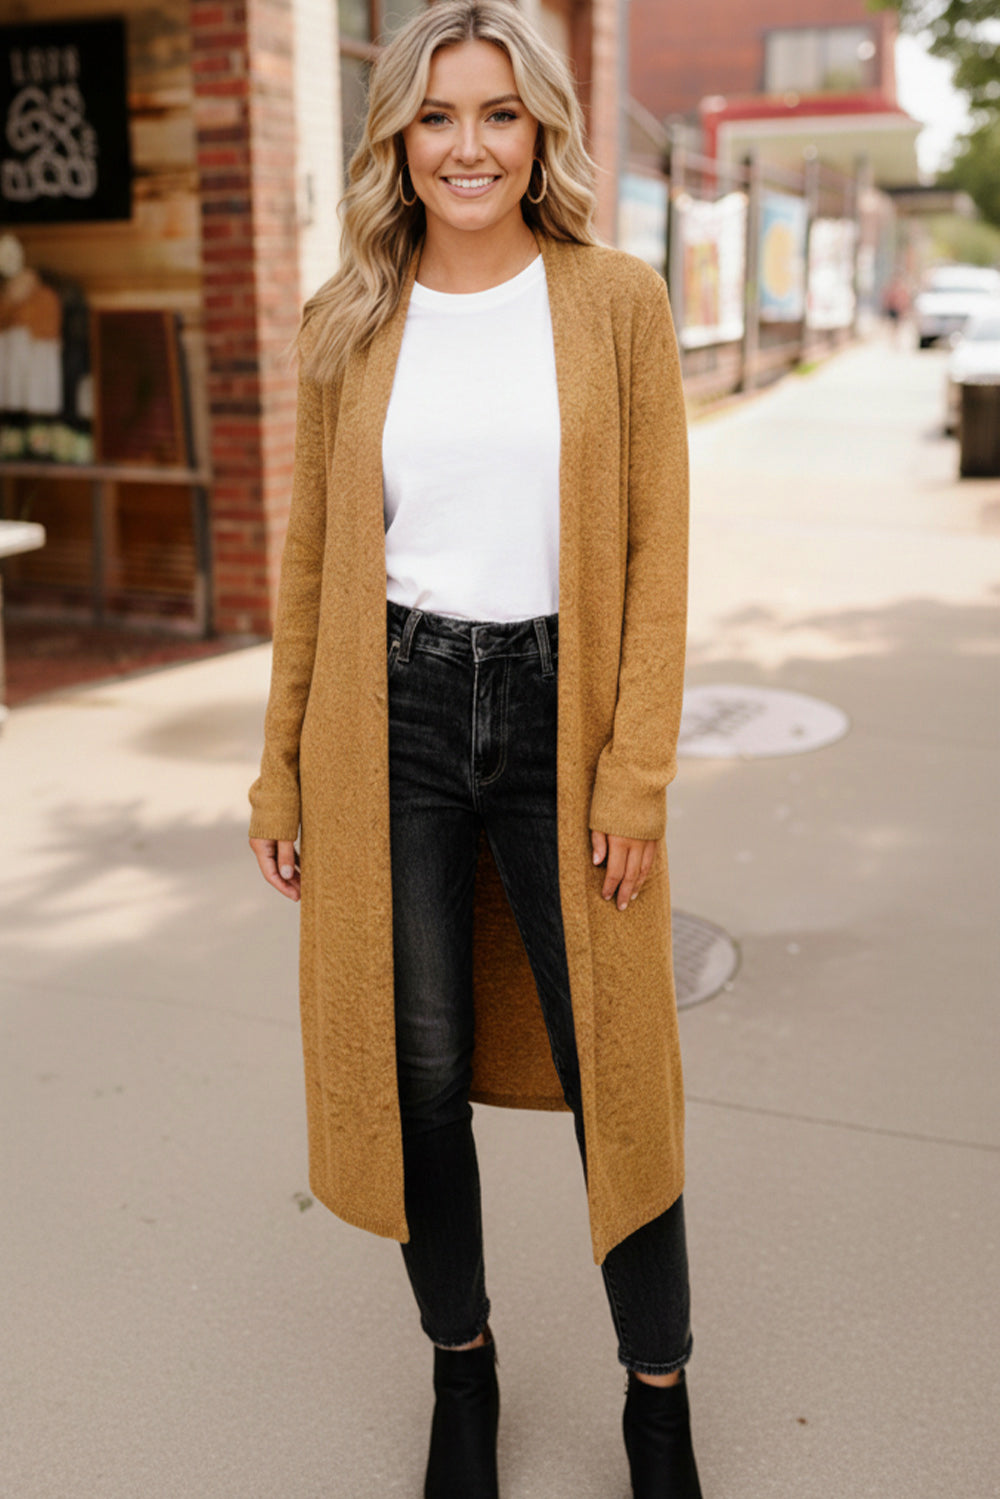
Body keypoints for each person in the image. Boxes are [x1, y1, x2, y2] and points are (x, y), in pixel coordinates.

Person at [248, 4, 701, 1495]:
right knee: (416, 1067)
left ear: (542, 133)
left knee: (616, 1065)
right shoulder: (349, 319)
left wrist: (634, 771)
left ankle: (657, 1393)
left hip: (567, 715)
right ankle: (465, 1370)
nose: (467, 145)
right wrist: (281, 768)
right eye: (437, 116)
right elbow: (315, 564)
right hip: (395, 717)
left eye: (498, 114)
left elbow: (652, 555)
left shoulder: (616, 303)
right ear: (395, 136)